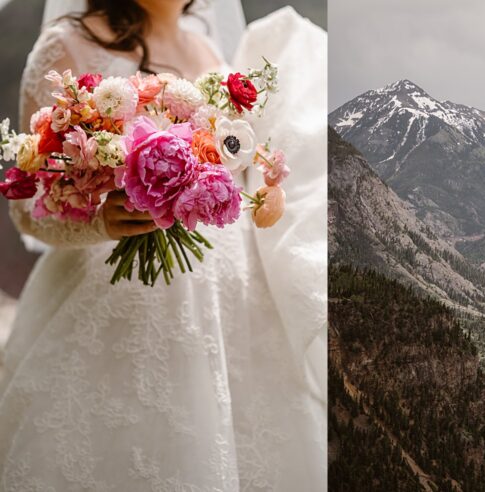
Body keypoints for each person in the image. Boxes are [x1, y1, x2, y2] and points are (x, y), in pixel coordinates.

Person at [0, 1, 328, 489]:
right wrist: (100, 221)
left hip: (232, 301)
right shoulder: (67, 45)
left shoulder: (209, 48)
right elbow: (27, 206)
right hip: (111, 298)